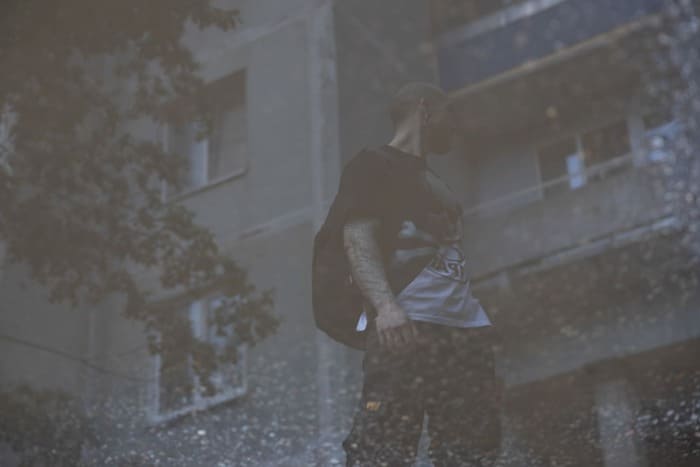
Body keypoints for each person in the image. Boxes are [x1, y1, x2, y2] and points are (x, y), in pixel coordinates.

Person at [340, 82, 503, 466]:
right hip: (407, 326)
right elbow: (357, 237)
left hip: (463, 332)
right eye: (450, 115)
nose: (455, 127)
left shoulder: (433, 182)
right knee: (382, 451)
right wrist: (385, 307)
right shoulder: (374, 165)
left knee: (471, 452)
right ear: (425, 111)